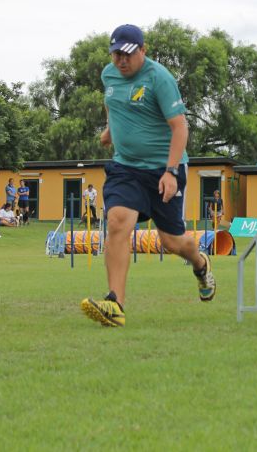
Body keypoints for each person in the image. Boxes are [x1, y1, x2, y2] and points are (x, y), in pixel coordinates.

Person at [80, 23, 215, 328]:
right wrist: (111, 130)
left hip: (163, 169)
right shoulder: (108, 74)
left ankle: (201, 263)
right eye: (116, 54)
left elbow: (180, 127)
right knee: (117, 222)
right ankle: (115, 304)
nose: (121, 61)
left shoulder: (160, 79)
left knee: (172, 242)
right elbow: (112, 104)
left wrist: (170, 171)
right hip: (125, 167)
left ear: (143, 50)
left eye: (127, 54)